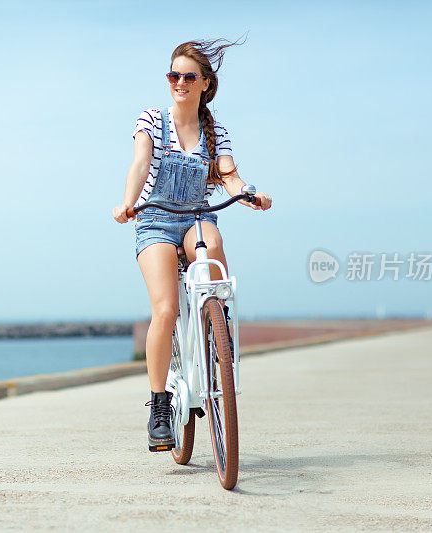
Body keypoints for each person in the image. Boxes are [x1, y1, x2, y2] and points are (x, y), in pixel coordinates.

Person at [112, 39, 272, 452]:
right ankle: (160, 406)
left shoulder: (215, 131)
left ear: (205, 84)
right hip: (155, 220)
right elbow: (140, 164)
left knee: (213, 242)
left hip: (197, 216)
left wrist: (249, 193)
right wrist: (128, 201)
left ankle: (219, 329)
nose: (179, 83)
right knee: (164, 309)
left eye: (188, 77)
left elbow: (230, 177)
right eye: (173, 75)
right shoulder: (151, 120)